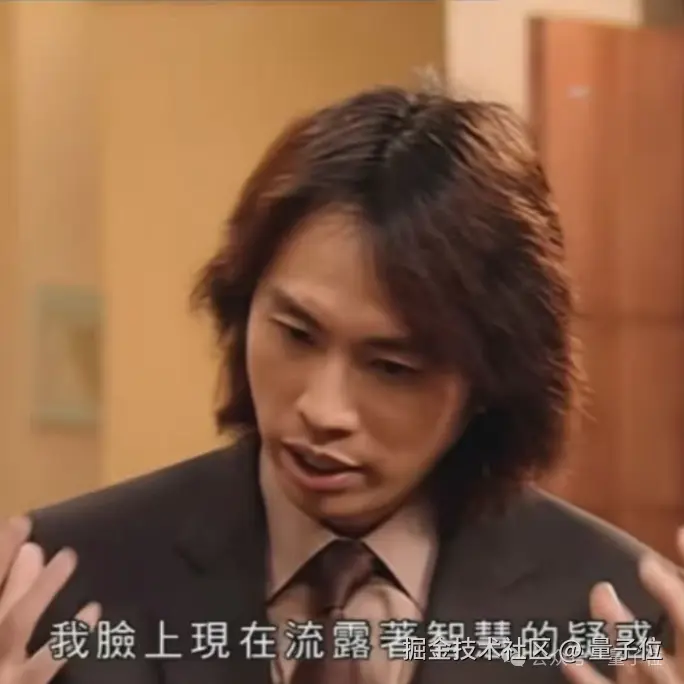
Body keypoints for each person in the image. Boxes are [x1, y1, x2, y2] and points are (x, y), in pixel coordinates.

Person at [0, 86, 681, 684]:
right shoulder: (57, 584)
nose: (322, 411)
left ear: (489, 380)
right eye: (296, 334)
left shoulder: (618, 622)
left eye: (392, 369)